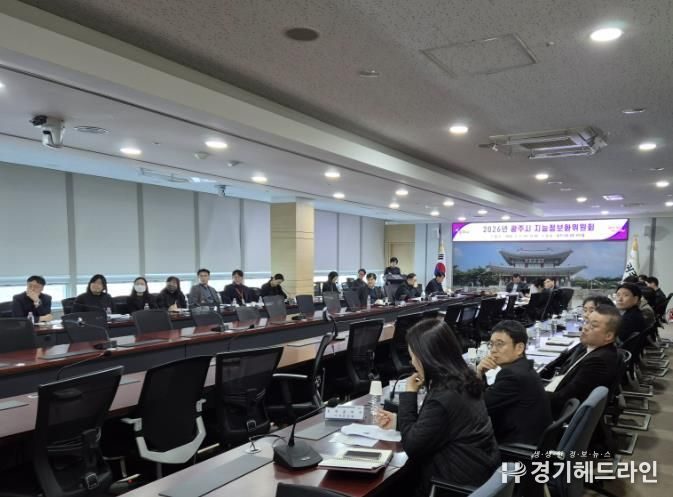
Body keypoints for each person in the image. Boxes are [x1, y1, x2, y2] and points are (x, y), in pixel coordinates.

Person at [377, 319, 499, 496]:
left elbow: (413, 447)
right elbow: (441, 426)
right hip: (480, 475)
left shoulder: (443, 396)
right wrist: (399, 422)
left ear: (427, 358)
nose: (412, 363)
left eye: (413, 357)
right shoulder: (465, 378)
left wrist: (409, 393)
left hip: (450, 487)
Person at [476, 320, 552, 444]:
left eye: (500, 344)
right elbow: (489, 398)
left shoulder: (511, 375)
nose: (493, 350)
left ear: (519, 348)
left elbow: (479, 407)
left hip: (517, 447)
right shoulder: (524, 367)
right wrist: (481, 374)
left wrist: (478, 373)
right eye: (491, 344)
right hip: (534, 440)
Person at [542, 305, 620, 416]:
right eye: (586, 322)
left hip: (555, 414)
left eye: (593, 326)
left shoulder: (598, 362)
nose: (585, 328)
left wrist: (531, 394)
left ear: (608, 336)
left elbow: (564, 400)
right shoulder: (590, 348)